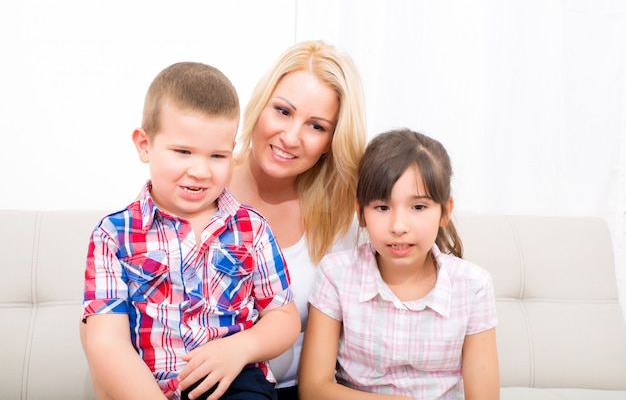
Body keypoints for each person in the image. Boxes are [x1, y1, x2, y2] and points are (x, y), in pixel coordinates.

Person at [80, 62, 300, 400]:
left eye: (217, 155)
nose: (200, 171)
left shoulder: (251, 228)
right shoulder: (114, 235)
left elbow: (283, 317)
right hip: (145, 386)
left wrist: (241, 348)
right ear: (144, 144)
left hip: (232, 381)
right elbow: (106, 342)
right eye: (183, 152)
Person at [299, 129, 500, 400]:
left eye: (418, 207)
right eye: (382, 207)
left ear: (445, 212)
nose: (398, 227)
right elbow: (313, 388)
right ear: (360, 213)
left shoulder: (473, 286)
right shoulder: (336, 274)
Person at [227, 40, 368, 400]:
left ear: (331, 142)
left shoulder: (342, 216)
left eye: (316, 126)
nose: (290, 138)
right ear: (260, 105)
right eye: (283, 111)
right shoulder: (200, 181)